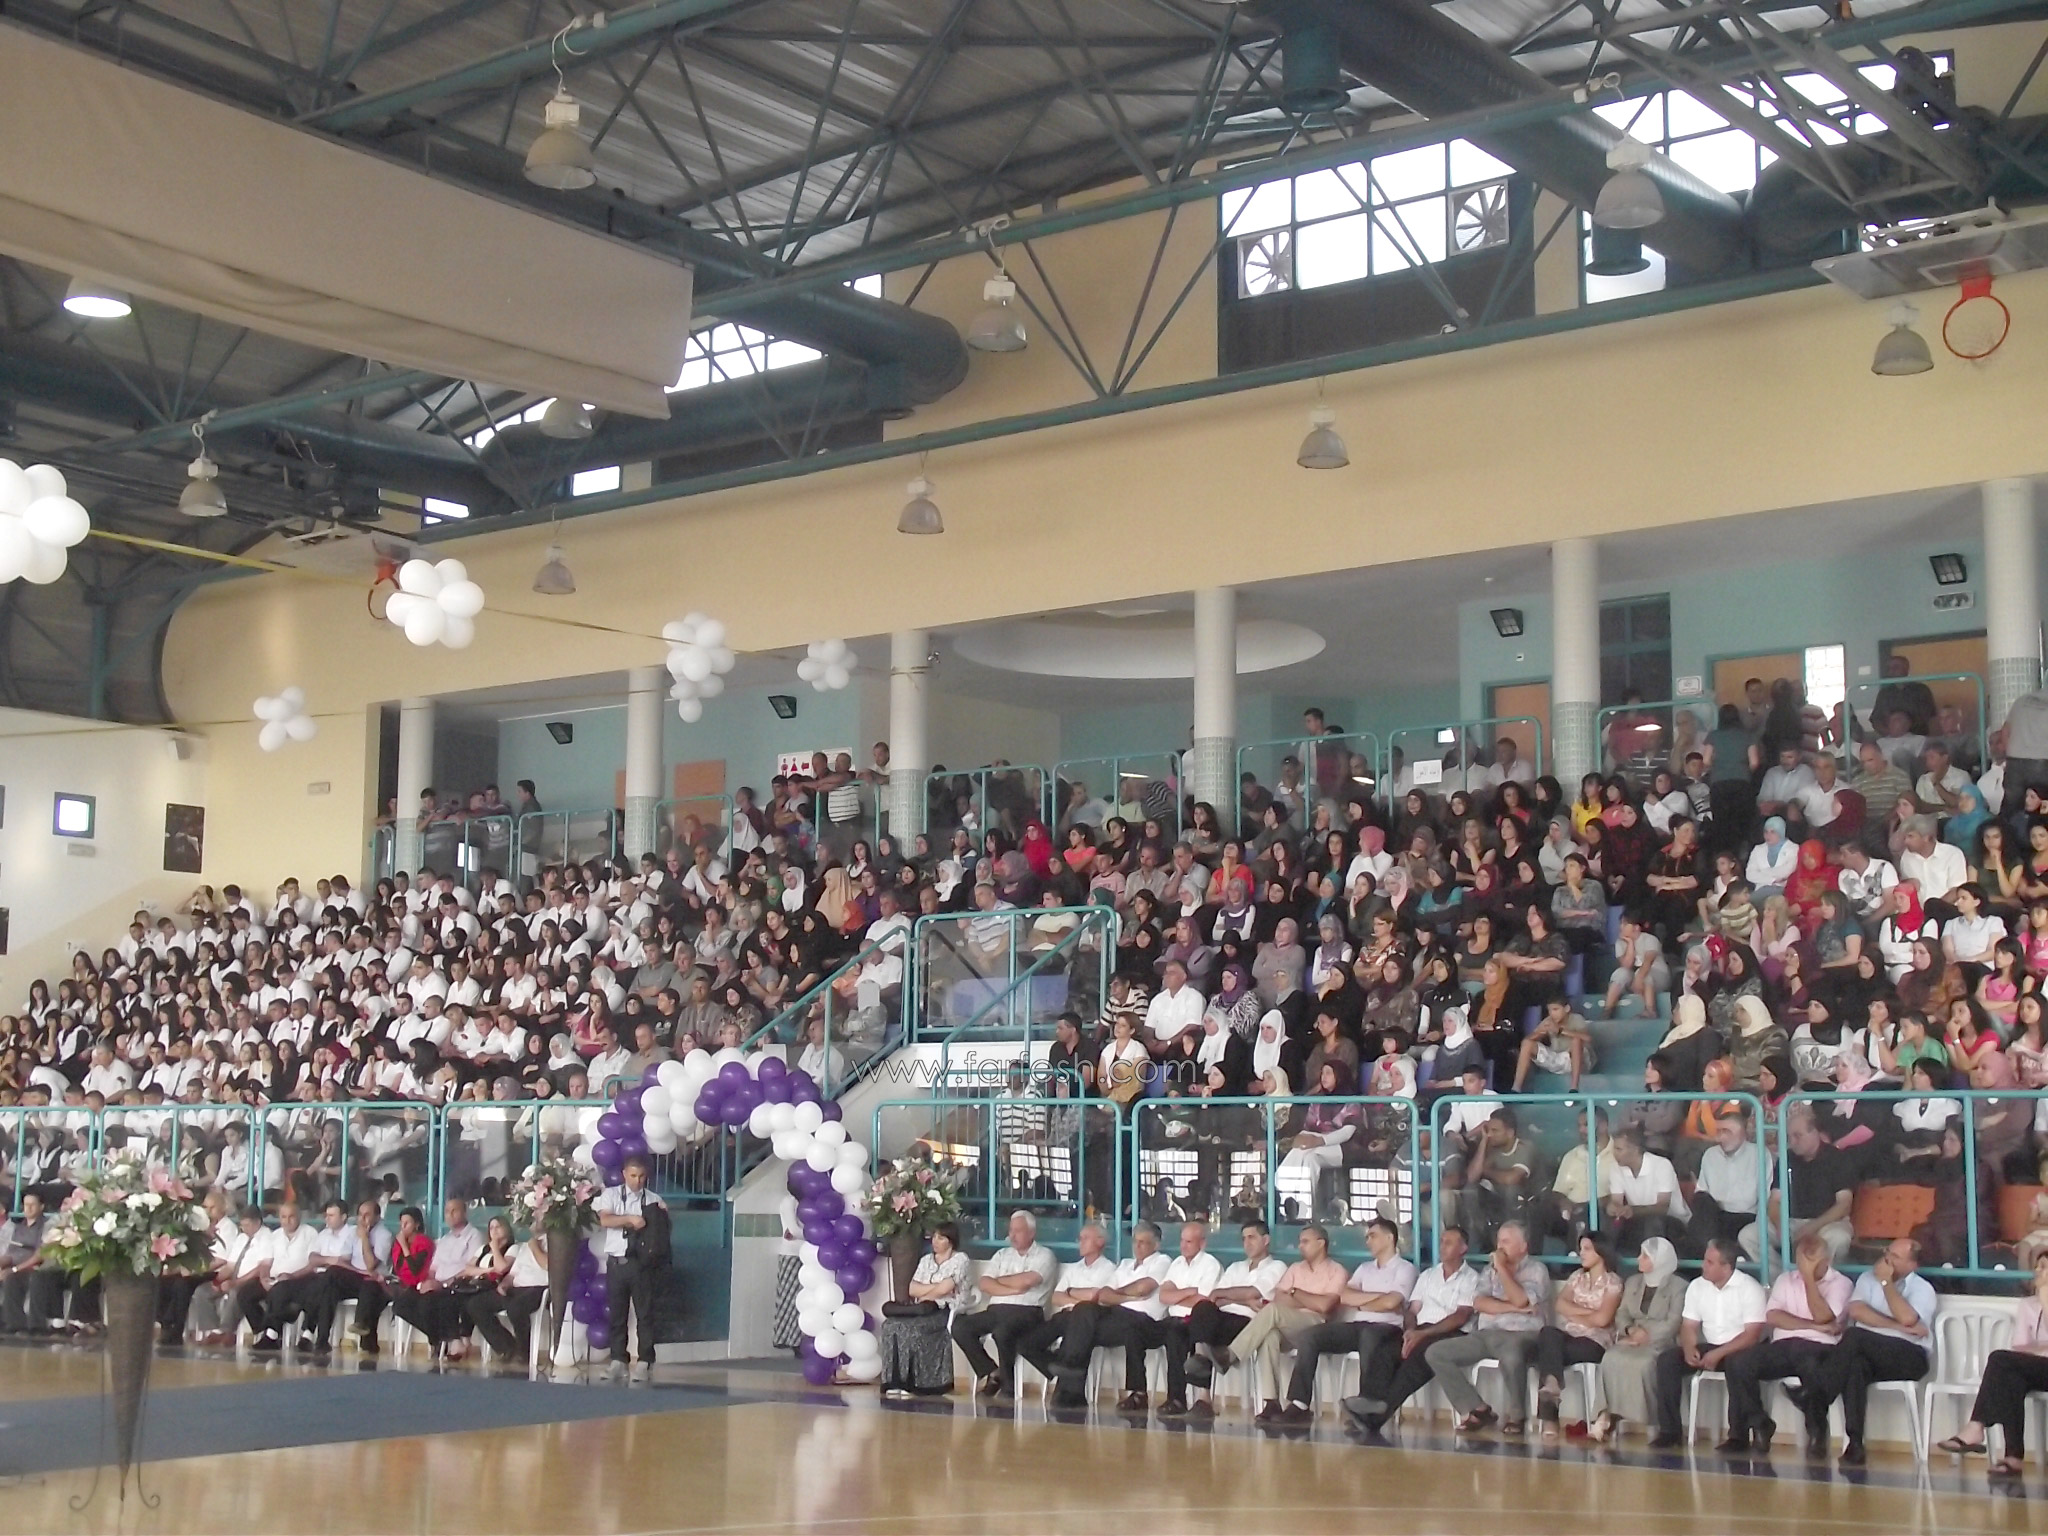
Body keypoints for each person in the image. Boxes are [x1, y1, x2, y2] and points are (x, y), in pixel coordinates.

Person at [1791, 1237, 1935, 1464]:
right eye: (1888, 1251)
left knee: (1854, 1336)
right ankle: (1855, 1445)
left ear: (1912, 1265)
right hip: (1871, 1351)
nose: (1887, 1258)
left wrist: (1886, 1283)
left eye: (1895, 1257)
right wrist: (1896, 1326)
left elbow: (1908, 1317)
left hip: (1910, 1355)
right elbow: (1857, 1311)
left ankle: (1814, 1395)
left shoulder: (1922, 1288)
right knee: (1855, 1366)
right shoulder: (1868, 1279)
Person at [1269, 1218, 1415, 1423]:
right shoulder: (1364, 1268)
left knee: (1369, 1336)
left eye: (1372, 1236)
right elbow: (1345, 1297)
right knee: (1311, 1335)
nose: (1368, 1241)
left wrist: (1365, 1301)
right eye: (1367, 1237)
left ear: (1390, 1238)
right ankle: (1299, 1404)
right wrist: (1377, 1300)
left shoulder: (1405, 1269)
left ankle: (1366, 1408)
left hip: (1387, 1328)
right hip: (1358, 1325)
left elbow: (1392, 1302)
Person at [1339, 1225, 1478, 1437]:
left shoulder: (1471, 1278)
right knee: (1386, 1350)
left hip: (1450, 1333)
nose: (1442, 1246)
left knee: (1416, 1359)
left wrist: (1423, 1335)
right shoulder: (1428, 1276)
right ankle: (1368, 1404)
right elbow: (1412, 1311)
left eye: (1449, 1243)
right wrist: (1411, 1332)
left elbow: (1461, 1316)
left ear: (1463, 1248)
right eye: (1441, 1241)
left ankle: (1376, 1415)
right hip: (1421, 1330)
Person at [1718, 1234, 1851, 1454]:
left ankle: (1817, 1432)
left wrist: (1808, 1280)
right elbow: (1773, 1316)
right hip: (1783, 1346)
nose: (1803, 1267)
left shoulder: (1841, 1283)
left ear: (1826, 1261)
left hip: (1821, 1348)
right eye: (1801, 1262)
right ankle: (1760, 1422)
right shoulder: (1785, 1280)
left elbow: (1824, 1316)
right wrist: (1814, 1326)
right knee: (1737, 1362)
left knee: (1810, 1363)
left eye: (1810, 1262)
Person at [1420, 1219, 1551, 1433]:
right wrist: (1515, 1308)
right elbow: (1479, 1303)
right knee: (1436, 1352)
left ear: (1523, 1247)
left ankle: (1517, 1417)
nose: (1500, 1247)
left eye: (1506, 1242)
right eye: (1499, 1241)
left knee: (1511, 1354)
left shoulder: (1537, 1270)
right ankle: (1477, 1409)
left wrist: (1502, 1270)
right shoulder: (1489, 1271)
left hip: (1521, 1335)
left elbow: (1520, 1298)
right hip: (1486, 1334)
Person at [1935, 1251, 2048, 1476]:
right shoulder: (2028, 1305)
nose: (2037, 1271)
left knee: (1999, 1359)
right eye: (2037, 1266)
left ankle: (1976, 1427)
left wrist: (2046, 1299)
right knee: (2011, 1377)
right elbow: (2019, 1347)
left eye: (2044, 1267)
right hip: (2038, 1367)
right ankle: (2012, 1458)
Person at [1649, 1238, 1769, 1448]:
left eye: (1710, 1262)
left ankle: (1738, 1437)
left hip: (1742, 1347)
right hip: (1712, 1345)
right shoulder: (1697, 1286)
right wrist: (1689, 1348)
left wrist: (1719, 1354)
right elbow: (1688, 1326)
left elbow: (1751, 1336)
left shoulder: (1749, 1288)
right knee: (1667, 1361)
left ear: (1726, 1267)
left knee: (1737, 1364)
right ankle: (1669, 1432)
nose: (1703, 1265)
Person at [1159, 1219, 1284, 1418]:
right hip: (1219, 1318)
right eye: (1244, 1239)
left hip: (1247, 1323)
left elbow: (1253, 1292)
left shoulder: (1276, 1267)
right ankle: (1183, 1394)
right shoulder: (1235, 1267)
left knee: (1202, 1326)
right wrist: (1242, 1298)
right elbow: (1214, 1297)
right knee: (1182, 1327)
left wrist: (1230, 1296)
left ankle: (1203, 1396)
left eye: (1252, 1238)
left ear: (1266, 1240)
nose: (1247, 1243)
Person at [1043, 1220, 1172, 1411]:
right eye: (1135, 1241)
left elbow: (1144, 1288)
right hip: (1117, 1315)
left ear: (1156, 1245)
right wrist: (1128, 1296)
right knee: (1084, 1312)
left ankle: (1068, 1380)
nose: (1137, 1246)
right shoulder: (1125, 1264)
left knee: (1084, 1329)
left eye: (1143, 1242)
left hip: (1144, 1321)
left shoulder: (1162, 1261)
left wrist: (1117, 1293)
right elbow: (1103, 1295)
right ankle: (1071, 1386)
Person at [1238, 1223, 1350, 1419]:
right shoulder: (1295, 1269)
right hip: (1290, 1324)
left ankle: (1234, 1354)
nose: (1300, 1246)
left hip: (1318, 1326)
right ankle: (1272, 1403)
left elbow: (1325, 1306)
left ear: (1321, 1243)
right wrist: (1310, 1299)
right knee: (1270, 1335)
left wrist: (1295, 1292)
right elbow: (1279, 1298)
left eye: (1305, 1242)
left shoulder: (1337, 1271)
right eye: (1300, 1242)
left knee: (1272, 1311)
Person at [950, 1209, 1058, 1406]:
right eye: (1010, 1230)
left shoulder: (1045, 1255)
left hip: (1028, 1312)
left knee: (1003, 1331)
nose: (1012, 1235)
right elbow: (985, 1283)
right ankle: (992, 1372)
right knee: (960, 1326)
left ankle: (1008, 1387)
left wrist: (999, 1282)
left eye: (1018, 1231)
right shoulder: (1001, 1255)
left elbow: (1028, 1280)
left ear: (1031, 1233)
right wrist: (1013, 1287)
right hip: (997, 1310)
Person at [1532, 1236, 1623, 1437]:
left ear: (1601, 1252)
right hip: (1570, 1335)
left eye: (1587, 1249)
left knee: (1549, 1354)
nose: (1581, 1253)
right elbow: (1559, 1304)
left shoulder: (1613, 1282)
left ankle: (1550, 1420)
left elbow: (1603, 1320)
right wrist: (1590, 1313)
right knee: (1548, 1333)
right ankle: (1552, 1385)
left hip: (1596, 1341)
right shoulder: (1577, 1277)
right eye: (1581, 1248)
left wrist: (1574, 1312)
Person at [595, 1156, 668, 1382]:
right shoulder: (611, 1195)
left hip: (642, 1264)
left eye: (642, 1176)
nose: (637, 1181)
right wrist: (630, 1219)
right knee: (617, 1315)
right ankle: (618, 1360)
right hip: (617, 1263)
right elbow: (605, 1220)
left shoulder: (654, 1199)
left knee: (645, 1314)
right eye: (633, 1175)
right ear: (624, 1174)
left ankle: (645, 1361)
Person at [882, 1221, 970, 1399]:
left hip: (945, 1310)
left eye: (941, 1238)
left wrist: (928, 1292)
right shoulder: (926, 1260)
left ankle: (915, 1383)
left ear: (951, 1241)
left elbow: (946, 1288)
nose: (935, 1241)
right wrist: (935, 1289)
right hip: (921, 1309)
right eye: (934, 1237)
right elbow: (912, 1289)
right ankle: (894, 1381)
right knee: (890, 1325)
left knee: (911, 1329)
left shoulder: (961, 1260)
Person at [466, 1222, 551, 1366]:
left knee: (515, 1307)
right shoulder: (526, 1246)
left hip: (538, 1288)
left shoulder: (553, 1242)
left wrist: (535, 1247)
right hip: (516, 1287)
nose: (533, 1222)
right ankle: (507, 1347)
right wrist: (505, 1283)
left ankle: (523, 1352)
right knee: (476, 1304)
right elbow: (512, 1274)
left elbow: (547, 1265)